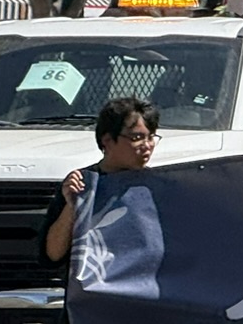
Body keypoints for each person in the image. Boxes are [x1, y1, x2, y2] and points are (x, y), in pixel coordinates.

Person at [43, 97, 159, 265]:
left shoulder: (157, 185)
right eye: (137, 137)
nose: (147, 145)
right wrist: (73, 205)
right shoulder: (82, 183)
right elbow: (53, 254)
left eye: (151, 137)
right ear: (107, 141)